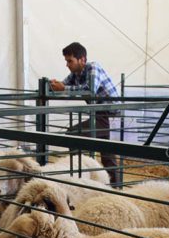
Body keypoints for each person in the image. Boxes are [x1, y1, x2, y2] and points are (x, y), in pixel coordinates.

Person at [49, 42, 120, 184]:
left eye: (70, 61)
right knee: (105, 149)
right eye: (66, 61)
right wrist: (51, 85)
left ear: (82, 59)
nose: (67, 64)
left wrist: (63, 88)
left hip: (108, 112)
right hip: (98, 112)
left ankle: (81, 176)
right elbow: (64, 85)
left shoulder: (93, 67)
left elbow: (90, 89)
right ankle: (115, 185)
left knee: (73, 134)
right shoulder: (75, 74)